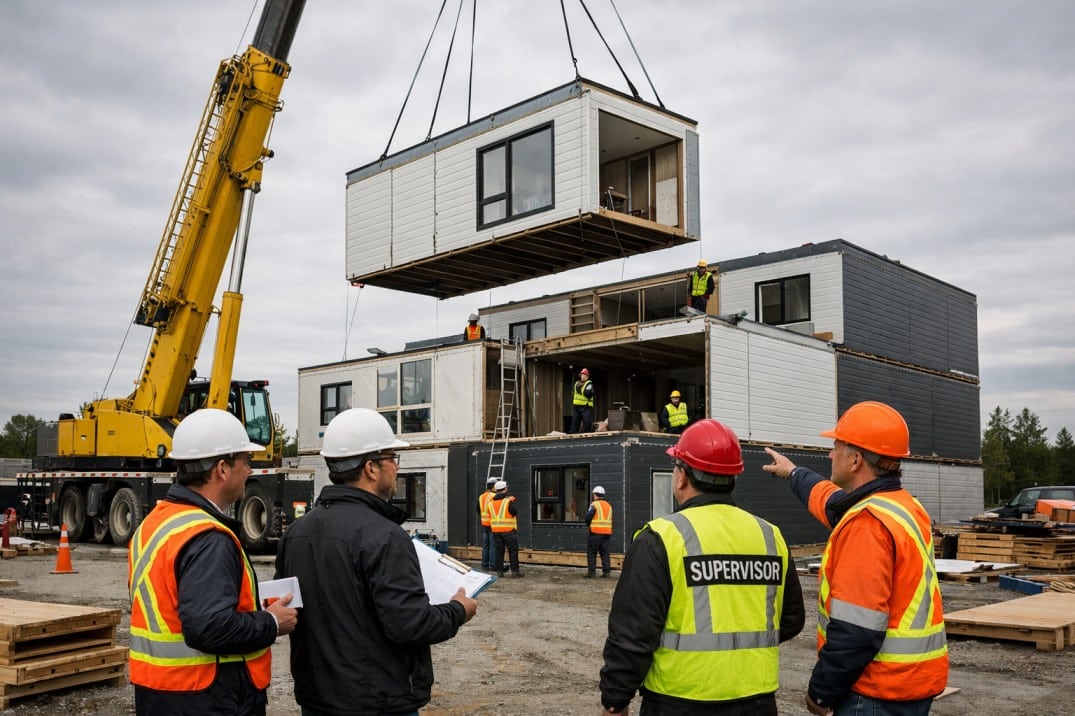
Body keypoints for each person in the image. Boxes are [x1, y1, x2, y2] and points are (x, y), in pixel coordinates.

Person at [275, 408, 478, 715]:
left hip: (316, 699)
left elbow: (293, 611)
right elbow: (409, 625)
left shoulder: (296, 533)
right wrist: (458, 611)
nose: (396, 467)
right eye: (392, 458)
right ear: (371, 468)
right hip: (376, 703)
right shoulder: (384, 535)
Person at [600, 419, 805, 716]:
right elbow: (791, 619)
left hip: (678, 700)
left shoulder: (660, 538)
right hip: (757, 701)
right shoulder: (769, 536)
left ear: (682, 477)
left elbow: (633, 633)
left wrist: (615, 700)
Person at [762, 401, 948, 715]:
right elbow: (830, 500)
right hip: (911, 684)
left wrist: (820, 693)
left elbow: (857, 629)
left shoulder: (866, 525)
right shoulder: (902, 506)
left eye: (836, 447)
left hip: (875, 691)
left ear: (856, 459)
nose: (830, 454)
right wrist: (793, 473)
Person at [128, 408, 298, 716]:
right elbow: (209, 628)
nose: (250, 470)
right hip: (206, 697)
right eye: (246, 461)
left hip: (162, 694)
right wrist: (272, 622)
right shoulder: (208, 538)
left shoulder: (156, 522)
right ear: (222, 468)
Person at [487, 479, 523, 577]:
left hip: (496, 531)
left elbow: (490, 516)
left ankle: (500, 572)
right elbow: (514, 512)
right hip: (508, 531)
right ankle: (515, 572)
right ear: (505, 489)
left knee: (499, 551)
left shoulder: (490, 504)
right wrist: (511, 501)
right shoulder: (507, 502)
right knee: (513, 550)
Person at [585, 485, 612, 578]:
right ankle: (606, 572)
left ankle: (591, 572)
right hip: (607, 533)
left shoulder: (594, 505)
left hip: (595, 532)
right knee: (605, 552)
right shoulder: (609, 506)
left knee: (592, 552)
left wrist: (589, 526)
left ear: (595, 495)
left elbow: (588, 517)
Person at [478, 476, 497, 570]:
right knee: (493, 545)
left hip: (484, 524)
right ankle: (493, 565)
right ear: (493, 487)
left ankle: (484, 564)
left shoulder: (481, 496)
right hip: (492, 524)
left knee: (485, 545)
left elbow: (478, 510)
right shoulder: (494, 496)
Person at [570, 367, 595, 433]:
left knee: (587, 421)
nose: (583, 376)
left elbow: (588, 393)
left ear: (587, 376)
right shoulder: (576, 383)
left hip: (586, 406)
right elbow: (573, 394)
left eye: (585, 375)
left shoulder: (589, 383)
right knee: (575, 421)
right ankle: (573, 434)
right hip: (576, 406)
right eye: (582, 375)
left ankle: (587, 434)